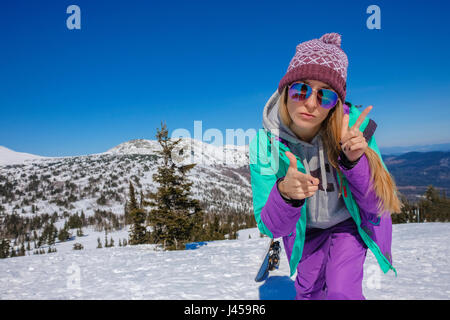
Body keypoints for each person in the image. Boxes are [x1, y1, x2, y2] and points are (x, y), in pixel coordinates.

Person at [249, 32, 402, 300]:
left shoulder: (354, 131)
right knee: (308, 291)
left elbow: (378, 204)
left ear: (335, 105)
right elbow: (271, 228)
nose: (310, 103)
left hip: (347, 225)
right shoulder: (264, 145)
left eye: (325, 96)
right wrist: (285, 194)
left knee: (342, 292)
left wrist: (354, 161)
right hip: (306, 232)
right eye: (301, 89)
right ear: (286, 91)